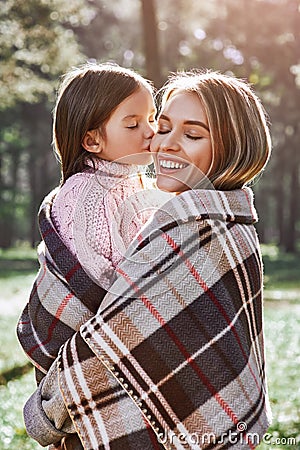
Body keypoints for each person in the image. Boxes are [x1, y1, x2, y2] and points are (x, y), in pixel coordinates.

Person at [21, 70, 272, 450]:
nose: (163, 143)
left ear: (233, 147)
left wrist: (45, 414)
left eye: (191, 134)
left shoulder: (205, 231)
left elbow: (108, 342)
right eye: (164, 126)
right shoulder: (177, 215)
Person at [17, 61, 170, 446]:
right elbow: (100, 279)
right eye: (133, 124)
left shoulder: (137, 183)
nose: (151, 133)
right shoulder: (85, 193)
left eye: (151, 119)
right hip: (87, 340)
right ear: (92, 141)